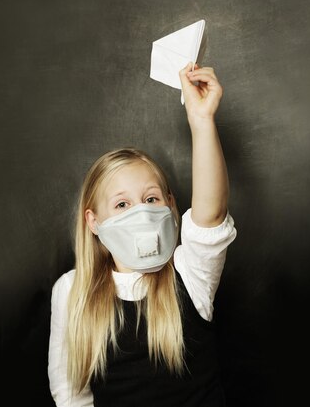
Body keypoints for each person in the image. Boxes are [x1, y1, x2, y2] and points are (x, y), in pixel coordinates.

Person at [48, 63, 237, 407]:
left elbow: (212, 215)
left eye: (150, 199)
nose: (140, 211)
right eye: (121, 205)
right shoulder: (71, 292)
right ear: (93, 222)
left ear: (169, 205)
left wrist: (202, 120)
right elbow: (71, 395)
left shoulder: (190, 275)